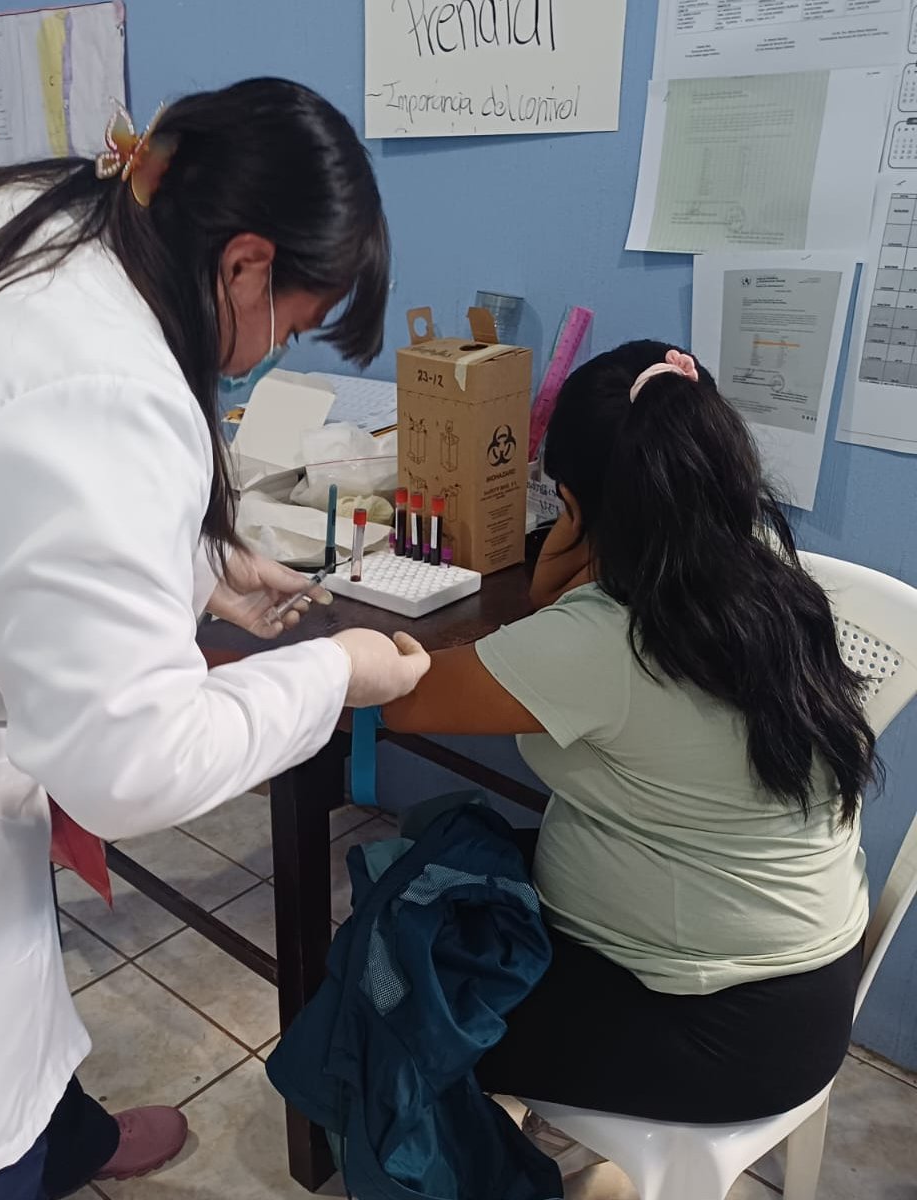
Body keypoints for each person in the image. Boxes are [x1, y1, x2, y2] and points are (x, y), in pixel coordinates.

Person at [0, 77, 429, 1199]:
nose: (270, 353)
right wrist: (335, 671)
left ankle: (66, 1142)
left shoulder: (25, 218)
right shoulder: (108, 384)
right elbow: (131, 765)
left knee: (4, 996)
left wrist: (195, 561)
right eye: (292, 326)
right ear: (246, 264)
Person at [382, 341, 875, 1174]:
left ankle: (469, 1171)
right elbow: (562, 623)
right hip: (807, 986)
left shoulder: (607, 639)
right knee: (454, 867)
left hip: (722, 1032)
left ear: (574, 506)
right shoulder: (766, 569)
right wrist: (566, 570)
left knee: (415, 982)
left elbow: (404, 699)